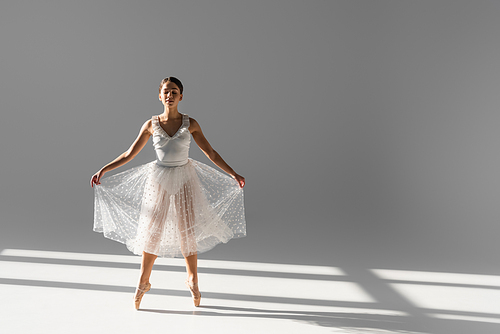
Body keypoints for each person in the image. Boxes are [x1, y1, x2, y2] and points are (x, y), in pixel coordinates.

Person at [90, 77, 246, 310]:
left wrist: (233, 173)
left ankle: (192, 279)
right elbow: (129, 154)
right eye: (166, 92)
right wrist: (104, 168)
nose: (170, 95)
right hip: (159, 179)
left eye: (174, 92)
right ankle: (143, 281)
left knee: (186, 230)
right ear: (160, 96)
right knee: (152, 231)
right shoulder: (151, 124)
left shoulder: (190, 123)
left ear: (181, 96)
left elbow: (210, 152)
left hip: (185, 178)